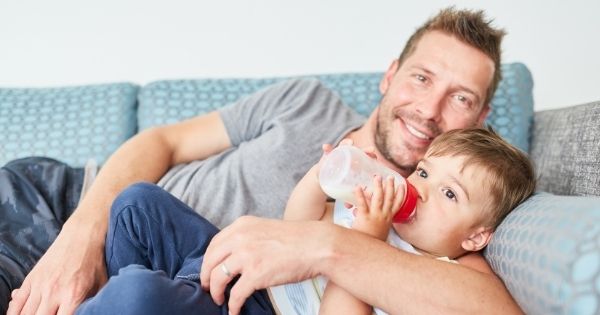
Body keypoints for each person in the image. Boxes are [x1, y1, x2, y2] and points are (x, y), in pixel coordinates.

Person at [2, 7, 519, 315]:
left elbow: (490, 305)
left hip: (218, 284)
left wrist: (340, 244)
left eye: (461, 98)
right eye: (422, 78)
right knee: (136, 206)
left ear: (481, 118)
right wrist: (80, 235)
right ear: (389, 75)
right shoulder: (307, 101)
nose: (429, 110)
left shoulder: (437, 222)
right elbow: (160, 141)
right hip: (72, 199)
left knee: (139, 292)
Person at [72, 128, 535, 314]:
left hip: (256, 309)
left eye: (450, 194)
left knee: (139, 295)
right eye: (425, 173)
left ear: (477, 236)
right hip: (240, 273)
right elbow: (298, 221)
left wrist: (366, 243)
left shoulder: (440, 276)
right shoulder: (382, 212)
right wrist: (322, 177)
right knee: (136, 203)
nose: (424, 191)